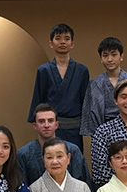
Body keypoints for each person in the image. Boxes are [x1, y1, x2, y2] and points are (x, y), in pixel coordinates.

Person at [28, 23, 89, 151]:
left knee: (73, 160)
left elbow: (85, 101)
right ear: (51, 43)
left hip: (73, 128)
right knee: (51, 159)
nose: (62, 42)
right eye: (58, 38)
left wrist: (85, 127)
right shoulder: (43, 70)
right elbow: (38, 98)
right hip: (50, 127)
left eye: (67, 38)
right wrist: (39, 124)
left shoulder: (81, 71)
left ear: (72, 44)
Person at [80, 37, 127, 138]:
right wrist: (98, 136)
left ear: (121, 56)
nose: (110, 59)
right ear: (101, 59)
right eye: (105, 55)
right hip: (103, 133)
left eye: (114, 54)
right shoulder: (95, 84)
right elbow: (90, 114)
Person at [17, 103, 91, 192]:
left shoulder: (72, 150)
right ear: (34, 125)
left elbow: (85, 185)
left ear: (56, 125)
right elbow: (21, 190)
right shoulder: (24, 154)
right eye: (41, 121)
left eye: (50, 121)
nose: (46, 125)